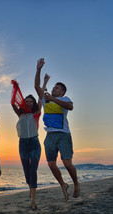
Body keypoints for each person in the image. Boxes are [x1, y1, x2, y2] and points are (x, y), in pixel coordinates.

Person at [34, 58, 80, 200]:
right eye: (54, 87)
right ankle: (63, 184)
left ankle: (76, 183)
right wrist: (39, 69)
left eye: (57, 88)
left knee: (67, 163)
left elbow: (71, 107)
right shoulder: (45, 99)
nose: (54, 89)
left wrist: (53, 100)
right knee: (51, 164)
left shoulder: (65, 99)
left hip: (64, 135)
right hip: (50, 136)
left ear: (62, 92)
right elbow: (36, 87)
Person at [12, 91, 42, 210]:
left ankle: (33, 200)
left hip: (34, 143)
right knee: (26, 172)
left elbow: (40, 98)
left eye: (31, 101)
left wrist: (44, 83)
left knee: (33, 170)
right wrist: (15, 89)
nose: (29, 103)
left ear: (33, 103)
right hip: (23, 143)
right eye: (27, 101)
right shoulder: (20, 114)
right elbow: (13, 104)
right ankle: (31, 188)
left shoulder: (36, 113)